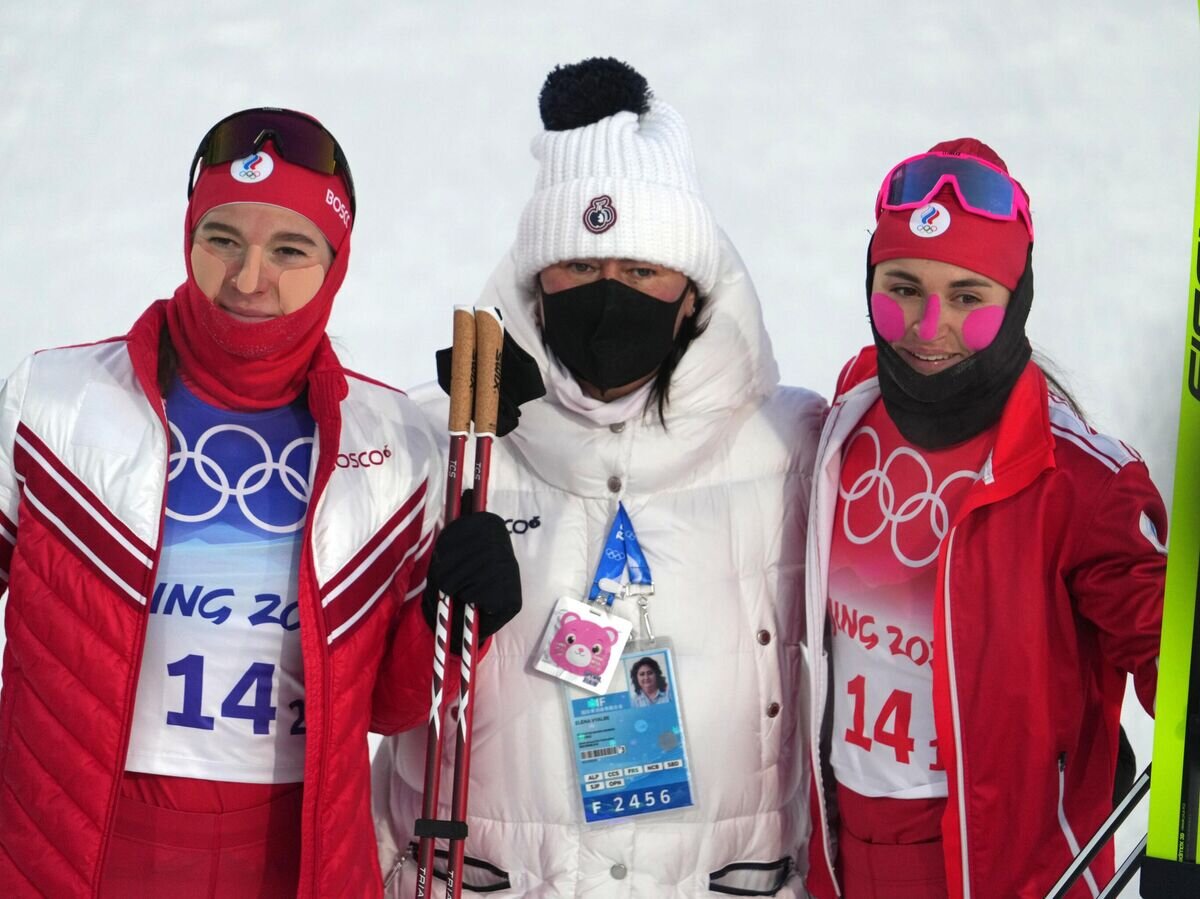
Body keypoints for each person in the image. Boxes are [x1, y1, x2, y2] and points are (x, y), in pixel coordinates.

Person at [0, 108, 520, 899]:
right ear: (188, 237)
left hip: (291, 856)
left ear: (336, 261)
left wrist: (460, 614)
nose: (249, 279)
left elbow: (392, 702)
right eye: (223, 240)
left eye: (290, 249)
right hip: (76, 853)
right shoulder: (54, 402)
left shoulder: (396, 447)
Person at [373, 58, 826, 897]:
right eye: (580, 268)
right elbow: (343, 693)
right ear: (537, 284)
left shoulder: (795, 447)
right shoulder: (435, 445)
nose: (609, 297)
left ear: (691, 289)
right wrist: (425, 628)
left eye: (642, 269)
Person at [802, 138, 1167, 899]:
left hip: (1012, 872)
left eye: (968, 297)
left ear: (1016, 300)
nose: (927, 324)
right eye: (901, 286)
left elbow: (1167, 647)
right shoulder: (844, 421)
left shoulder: (1082, 481)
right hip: (842, 863)